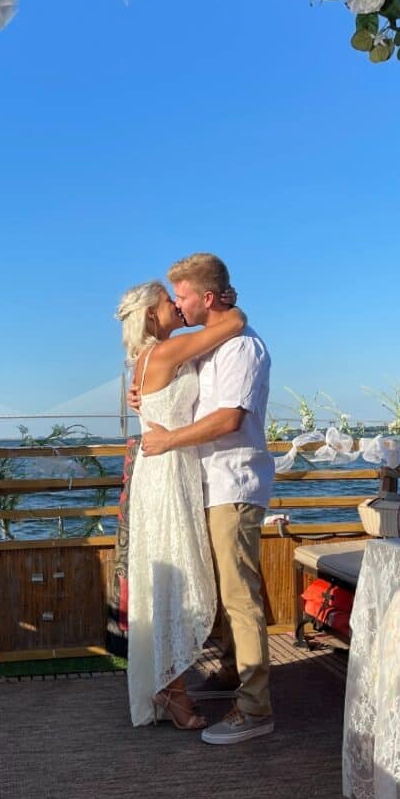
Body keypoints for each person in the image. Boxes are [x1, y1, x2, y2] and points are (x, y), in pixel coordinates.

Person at [141, 252, 276, 745]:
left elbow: (228, 420)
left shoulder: (242, 348)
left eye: (182, 296)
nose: (177, 305)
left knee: (240, 595)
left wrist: (166, 442)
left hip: (233, 483)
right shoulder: (207, 346)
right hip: (206, 482)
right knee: (218, 587)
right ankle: (230, 673)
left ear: (209, 298)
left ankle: (256, 708)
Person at [115, 280, 246, 729]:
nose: (175, 304)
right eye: (168, 301)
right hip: (169, 470)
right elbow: (235, 324)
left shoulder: (145, 360)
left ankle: (171, 687)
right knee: (176, 578)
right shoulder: (168, 352)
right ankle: (174, 693)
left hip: (167, 469)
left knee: (168, 578)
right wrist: (225, 298)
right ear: (152, 315)